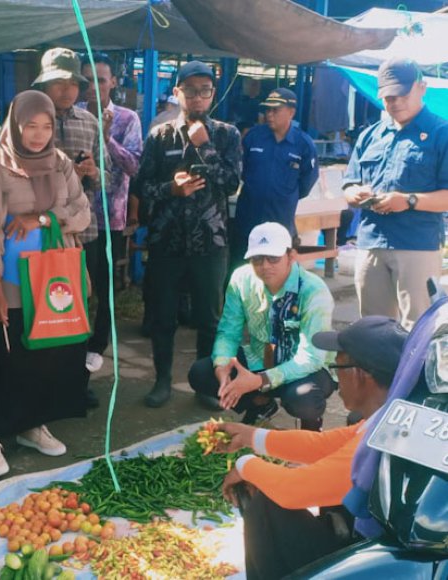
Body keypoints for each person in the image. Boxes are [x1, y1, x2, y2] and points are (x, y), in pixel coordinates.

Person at [216, 316, 408, 580]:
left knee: (265, 507)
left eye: (337, 366)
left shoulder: (380, 441)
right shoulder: (393, 415)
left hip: (381, 565)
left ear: (361, 374)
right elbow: (324, 445)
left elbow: (292, 491)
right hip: (380, 543)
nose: (334, 376)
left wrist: (245, 466)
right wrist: (251, 437)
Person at [0, 90, 91, 479]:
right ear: (16, 125)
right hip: (12, 278)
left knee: (48, 356)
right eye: (31, 126)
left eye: (46, 126)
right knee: (7, 359)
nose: (39, 135)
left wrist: (41, 219)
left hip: (57, 276)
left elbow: (82, 211)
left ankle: (31, 425)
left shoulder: (60, 163)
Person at [131, 60, 242, 408]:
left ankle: (206, 385)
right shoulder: (159, 135)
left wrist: (206, 147)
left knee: (209, 319)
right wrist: (171, 190)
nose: (197, 98)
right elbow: (142, 186)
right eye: (190, 90)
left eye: (204, 91)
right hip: (167, 243)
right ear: (177, 92)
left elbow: (231, 185)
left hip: (211, 244)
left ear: (212, 95)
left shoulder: (226, 135)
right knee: (163, 317)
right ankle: (162, 381)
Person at [188, 222, 337, 429]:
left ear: (291, 256)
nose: (265, 266)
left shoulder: (314, 290)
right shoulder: (241, 278)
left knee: (303, 398)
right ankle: (261, 405)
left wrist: (259, 381)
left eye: (273, 258)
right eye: (257, 259)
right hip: (263, 356)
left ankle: (311, 426)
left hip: (307, 366)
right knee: (201, 373)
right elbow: (228, 331)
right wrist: (221, 366)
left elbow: (311, 357)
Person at [343, 57, 448, 330]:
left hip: (416, 244)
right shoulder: (371, 136)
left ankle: (417, 376)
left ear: (421, 87)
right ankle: (379, 375)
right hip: (371, 241)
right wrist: (356, 193)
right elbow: (349, 185)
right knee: (372, 328)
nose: (394, 102)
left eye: (401, 94)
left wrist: (408, 201)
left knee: (419, 329)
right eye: (388, 96)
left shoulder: (441, 133)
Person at [32, 47, 108, 407]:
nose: (65, 90)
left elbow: (105, 180)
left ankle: (73, 384)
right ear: (44, 85)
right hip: (40, 233)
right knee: (42, 308)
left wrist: (92, 174)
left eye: (72, 83)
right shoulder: (27, 122)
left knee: (77, 307)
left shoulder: (89, 123)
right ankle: (42, 386)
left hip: (82, 232)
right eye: (57, 83)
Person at [79, 54, 143, 376]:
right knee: (76, 284)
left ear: (113, 82)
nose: (93, 87)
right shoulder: (72, 117)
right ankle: (73, 342)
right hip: (75, 220)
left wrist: (106, 138)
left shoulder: (127, 119)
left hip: (109, 219)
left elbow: (133, 165)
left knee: (104, 287)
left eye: (100, 80)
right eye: (87, 80)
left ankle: (97, 344)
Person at [232, 88, 319, 270]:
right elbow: (241, 170)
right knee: (242, 269)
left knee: (276, 271)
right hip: (249, 218)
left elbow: (306, 182)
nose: (269, 115)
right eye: (267, 110)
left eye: (275, 110)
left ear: (291, 112)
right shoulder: (254, 137)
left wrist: (284, 195)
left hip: (281, 220)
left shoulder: (303, 144)